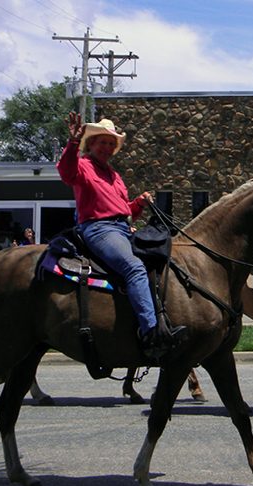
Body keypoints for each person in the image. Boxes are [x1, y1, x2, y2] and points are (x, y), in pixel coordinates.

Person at [57, 112, 185, 358]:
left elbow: (123, 210)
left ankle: (151, 316)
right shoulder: (82, 166)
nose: (106, 147)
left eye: (110, 143)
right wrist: (73, 142)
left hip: (122, 229)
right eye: (101, 142)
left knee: (157, 263)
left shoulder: (114, 175)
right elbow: (66, 172)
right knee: (134, 268)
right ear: (91, 144)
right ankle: (151, 333)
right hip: (98, 229)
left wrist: (138, 203)